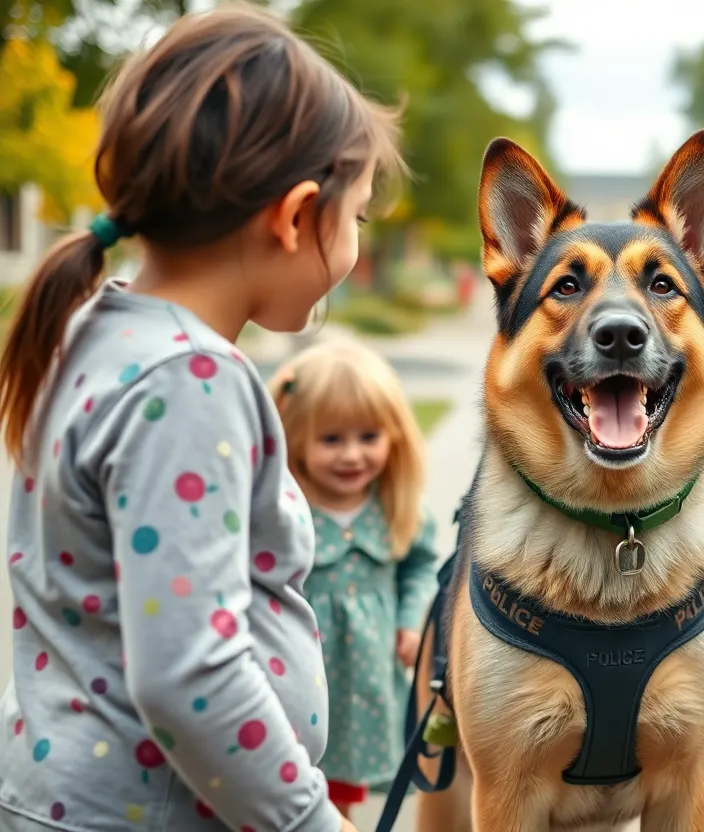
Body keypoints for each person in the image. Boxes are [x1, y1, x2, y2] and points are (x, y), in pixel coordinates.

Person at [0, 6, 403, 832]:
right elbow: (189, 674)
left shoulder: (94, 331)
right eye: (357, 217)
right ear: (294, 218)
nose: (356, 241)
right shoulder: (189, 380)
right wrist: (308, 821)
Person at [269, 341, 439, 819]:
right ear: (294, 437)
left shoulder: (394, 512)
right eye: (331, 439)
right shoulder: (283, 512)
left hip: (363, 681)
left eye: (368, 437)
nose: (352, 455)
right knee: (289, 787)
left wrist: (411, 621)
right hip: (296, 679)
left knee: (342, 792)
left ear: (394, 437)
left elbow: (420, 567)